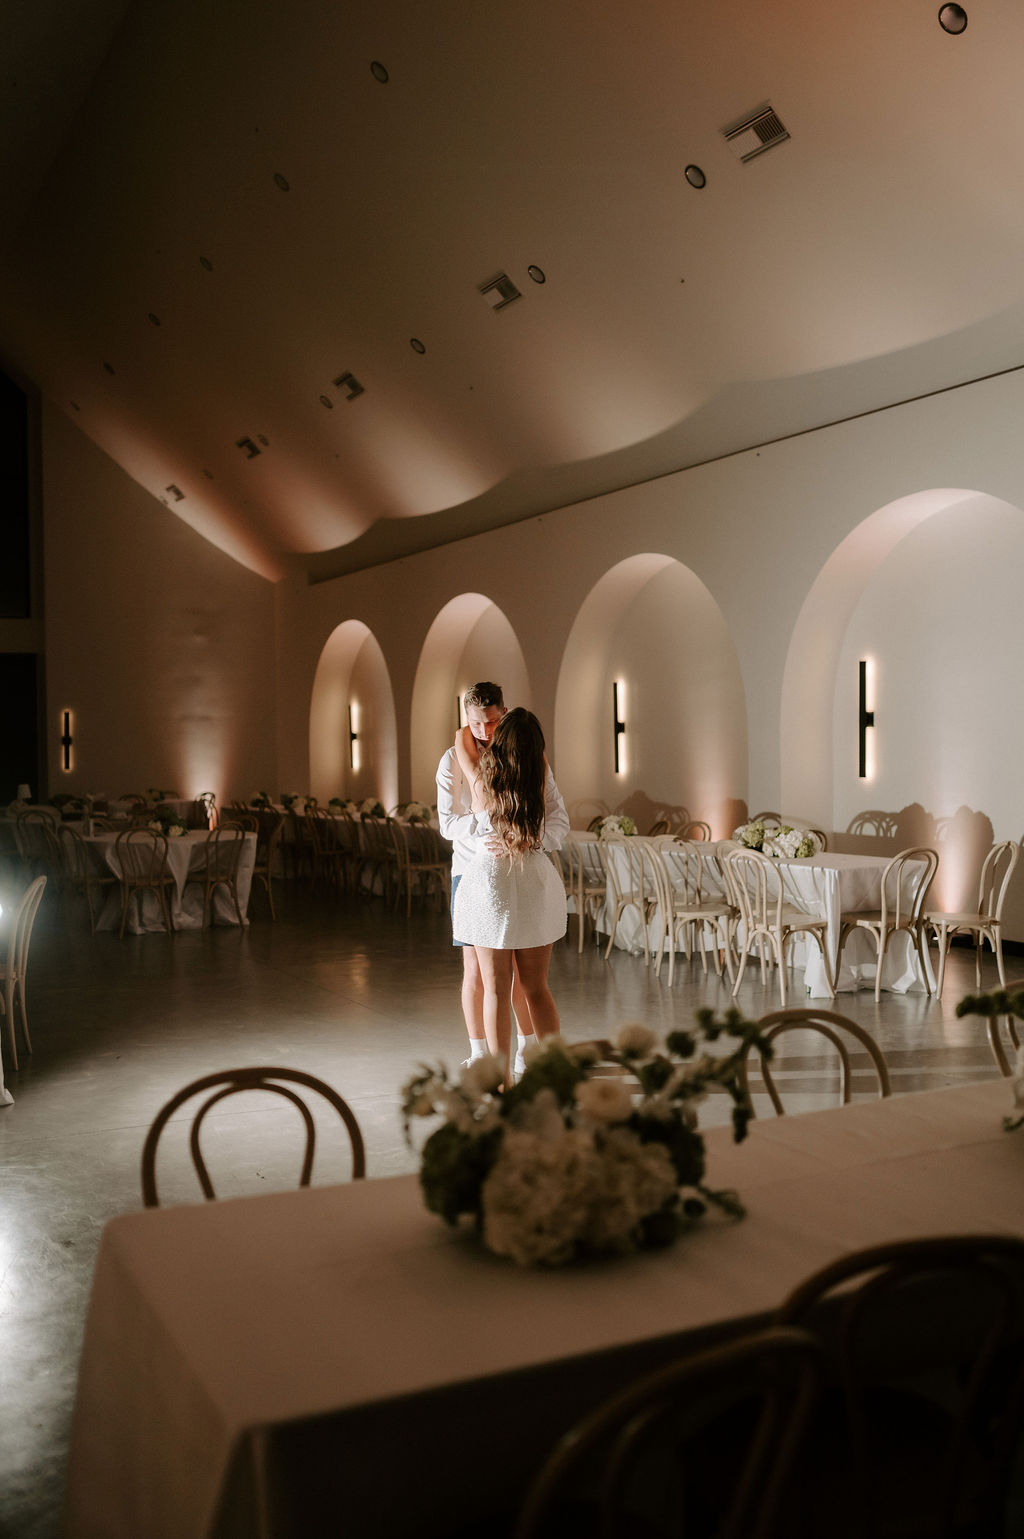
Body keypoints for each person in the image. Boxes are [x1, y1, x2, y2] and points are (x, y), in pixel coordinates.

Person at [436, 682, 568, 1075]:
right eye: (474, 723)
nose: (483, 730)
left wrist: (526, 837)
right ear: (466, 719)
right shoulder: (454, 759)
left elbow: (557, 817)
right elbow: (447, 825)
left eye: (492, 721)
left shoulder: (527, 759)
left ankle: (527, 1055)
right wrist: (488, 827)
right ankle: (484, 1056)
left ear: (504, 715)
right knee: (480, 976)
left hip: (520, 873)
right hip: (475, 873)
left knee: (525, 984)